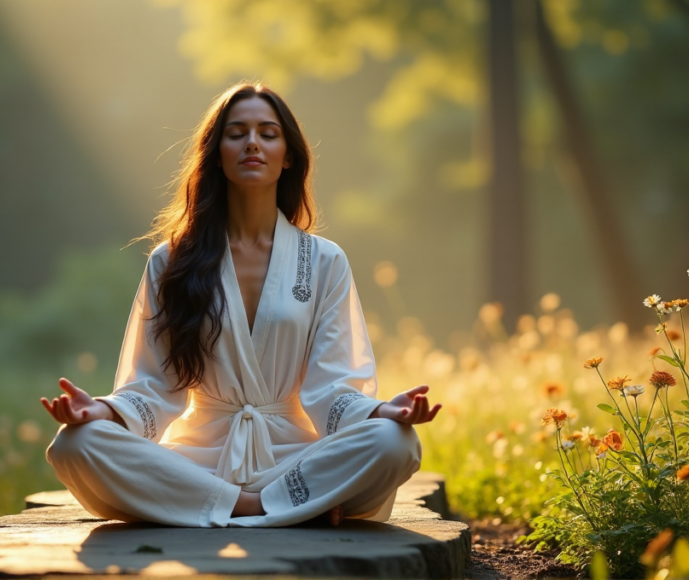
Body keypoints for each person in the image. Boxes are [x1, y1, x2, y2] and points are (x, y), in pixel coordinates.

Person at [42, 82, 441, 528]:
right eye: (237, 133)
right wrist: (100, 411)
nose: (252, 142)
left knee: (396, 442)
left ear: (288, 155)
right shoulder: (171, 261)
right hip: (196, 463)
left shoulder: (325, 260)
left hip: (297, 461)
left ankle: (239, 502)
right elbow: (152, 386)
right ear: (217, 152)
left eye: (268, 133)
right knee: (73, 445)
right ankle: (261, 507)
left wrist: (382, 411)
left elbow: (333, 388)